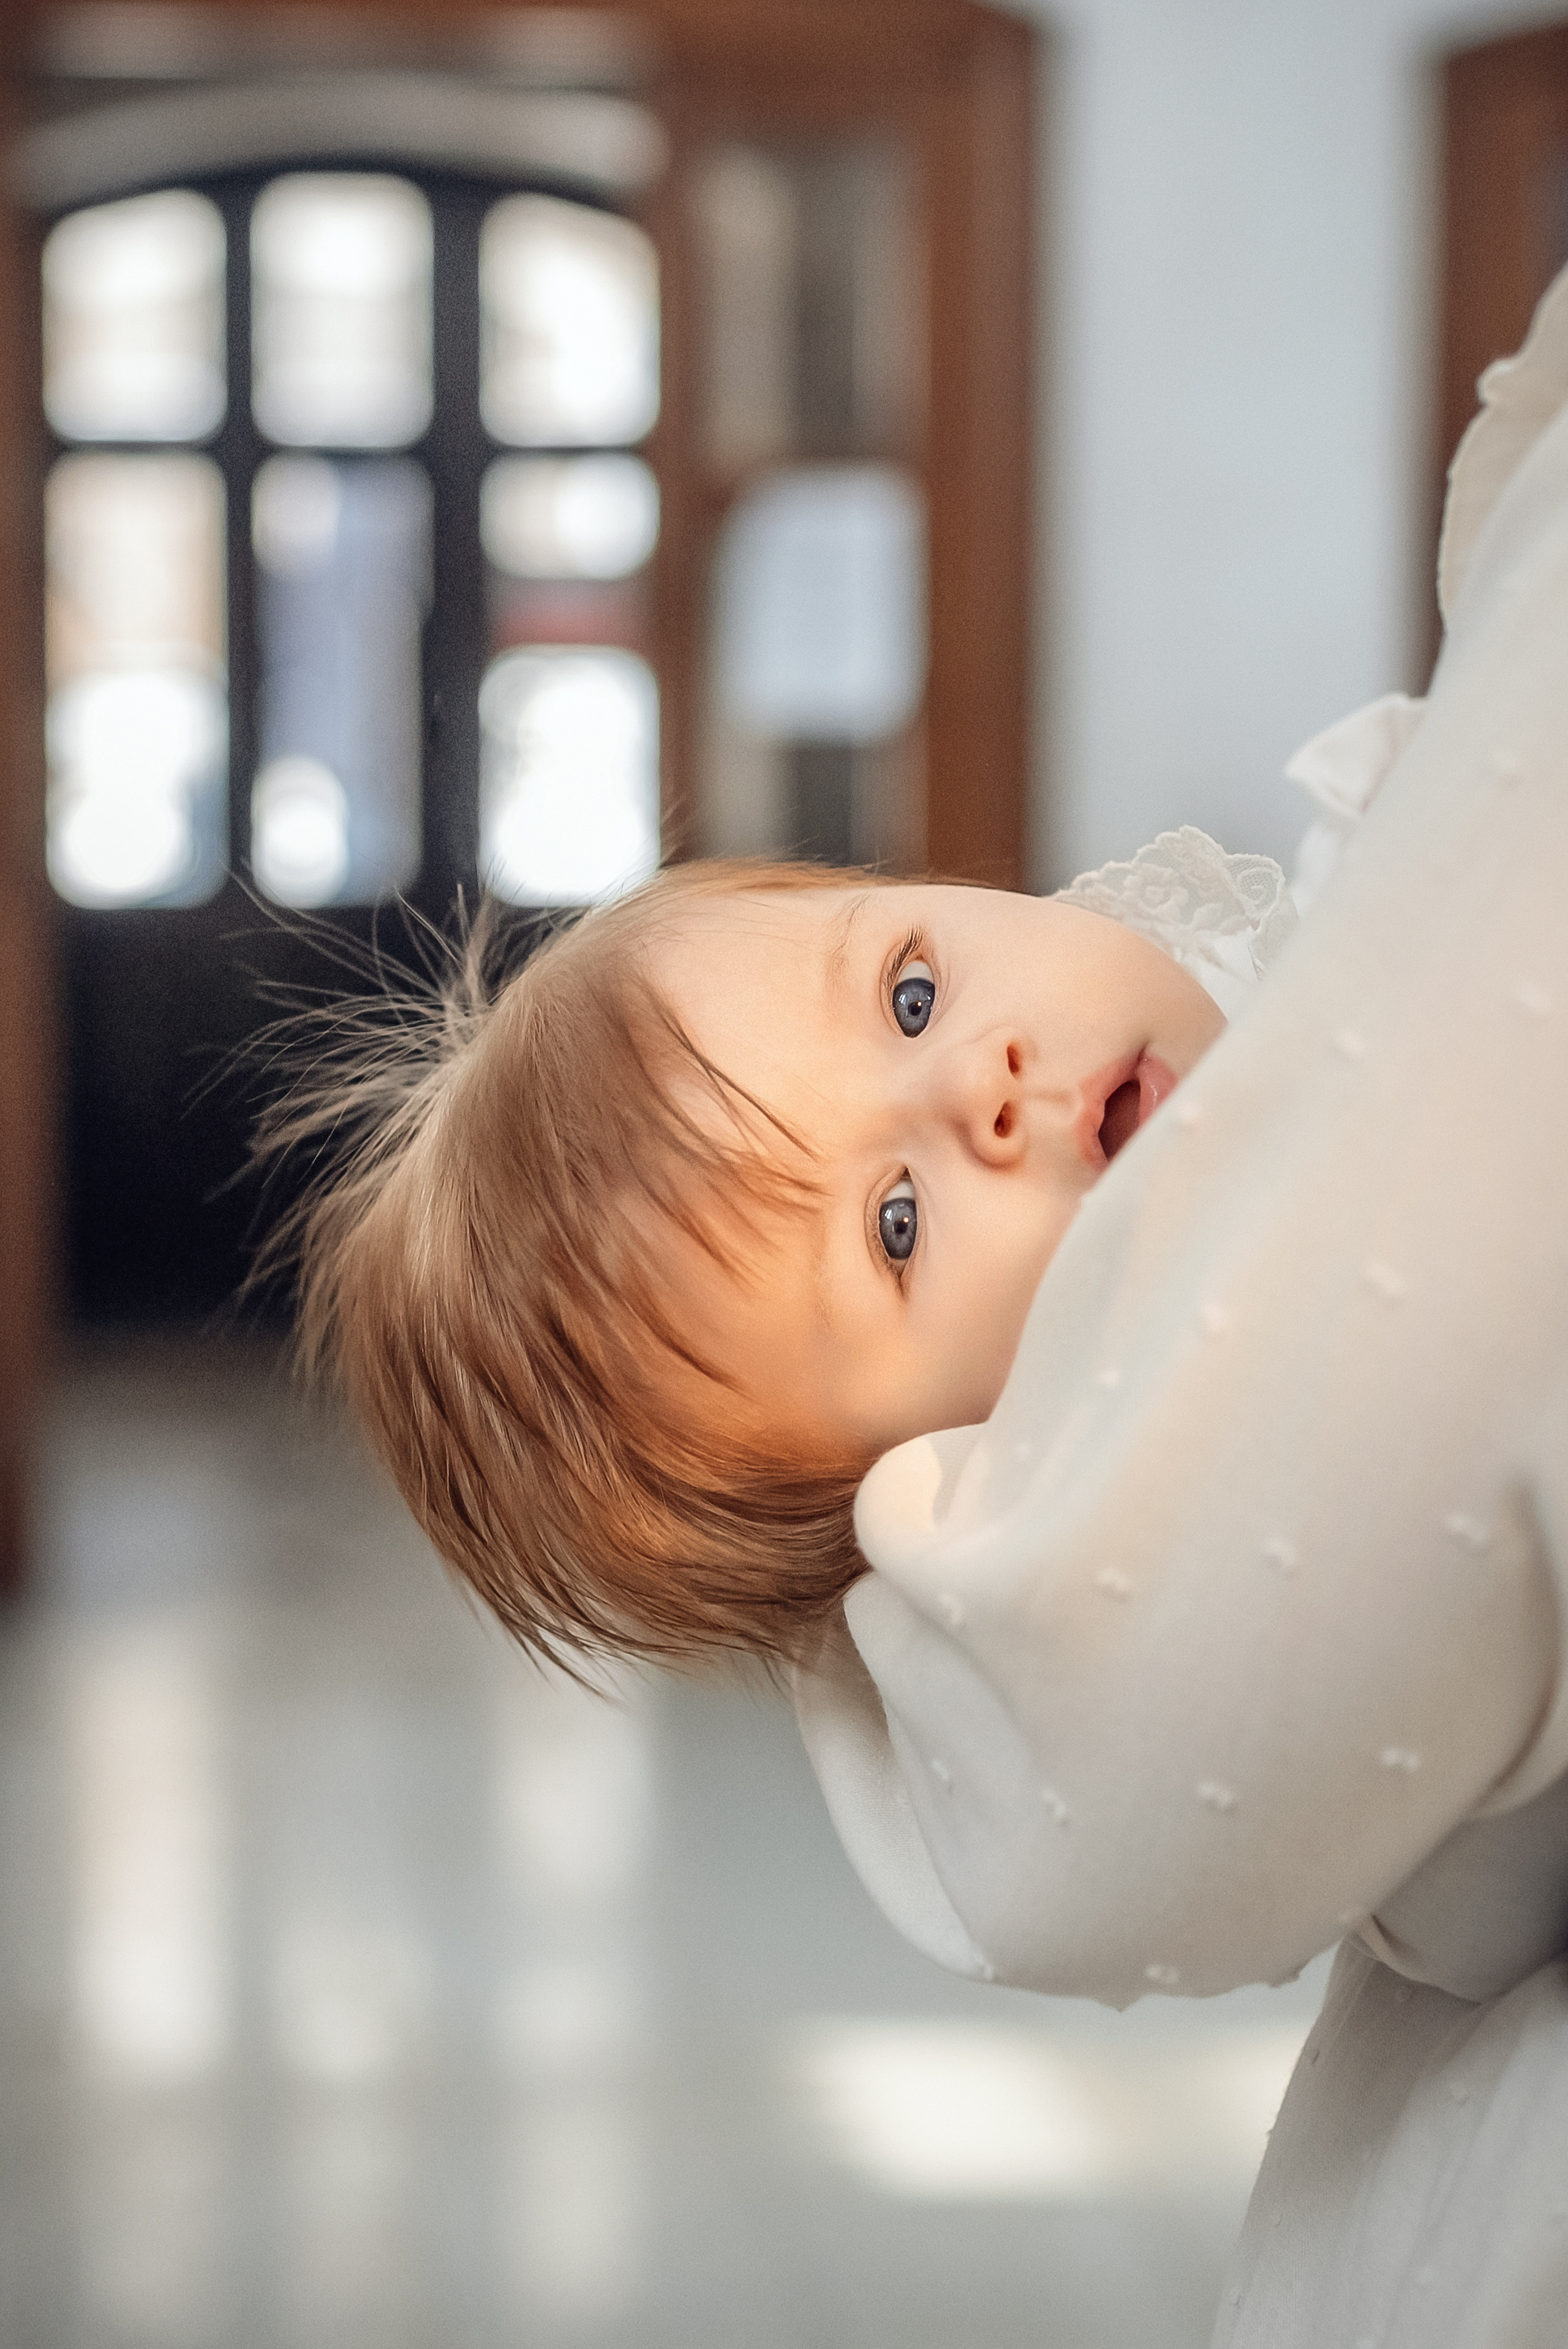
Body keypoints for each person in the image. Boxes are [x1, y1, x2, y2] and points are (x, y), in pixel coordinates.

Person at [274, 264, 1568, 2348]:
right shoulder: (1179, 1519)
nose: (979, 1084)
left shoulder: (1336, 946)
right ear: (938, 1481)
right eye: (890, 1231)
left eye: (906, 989)